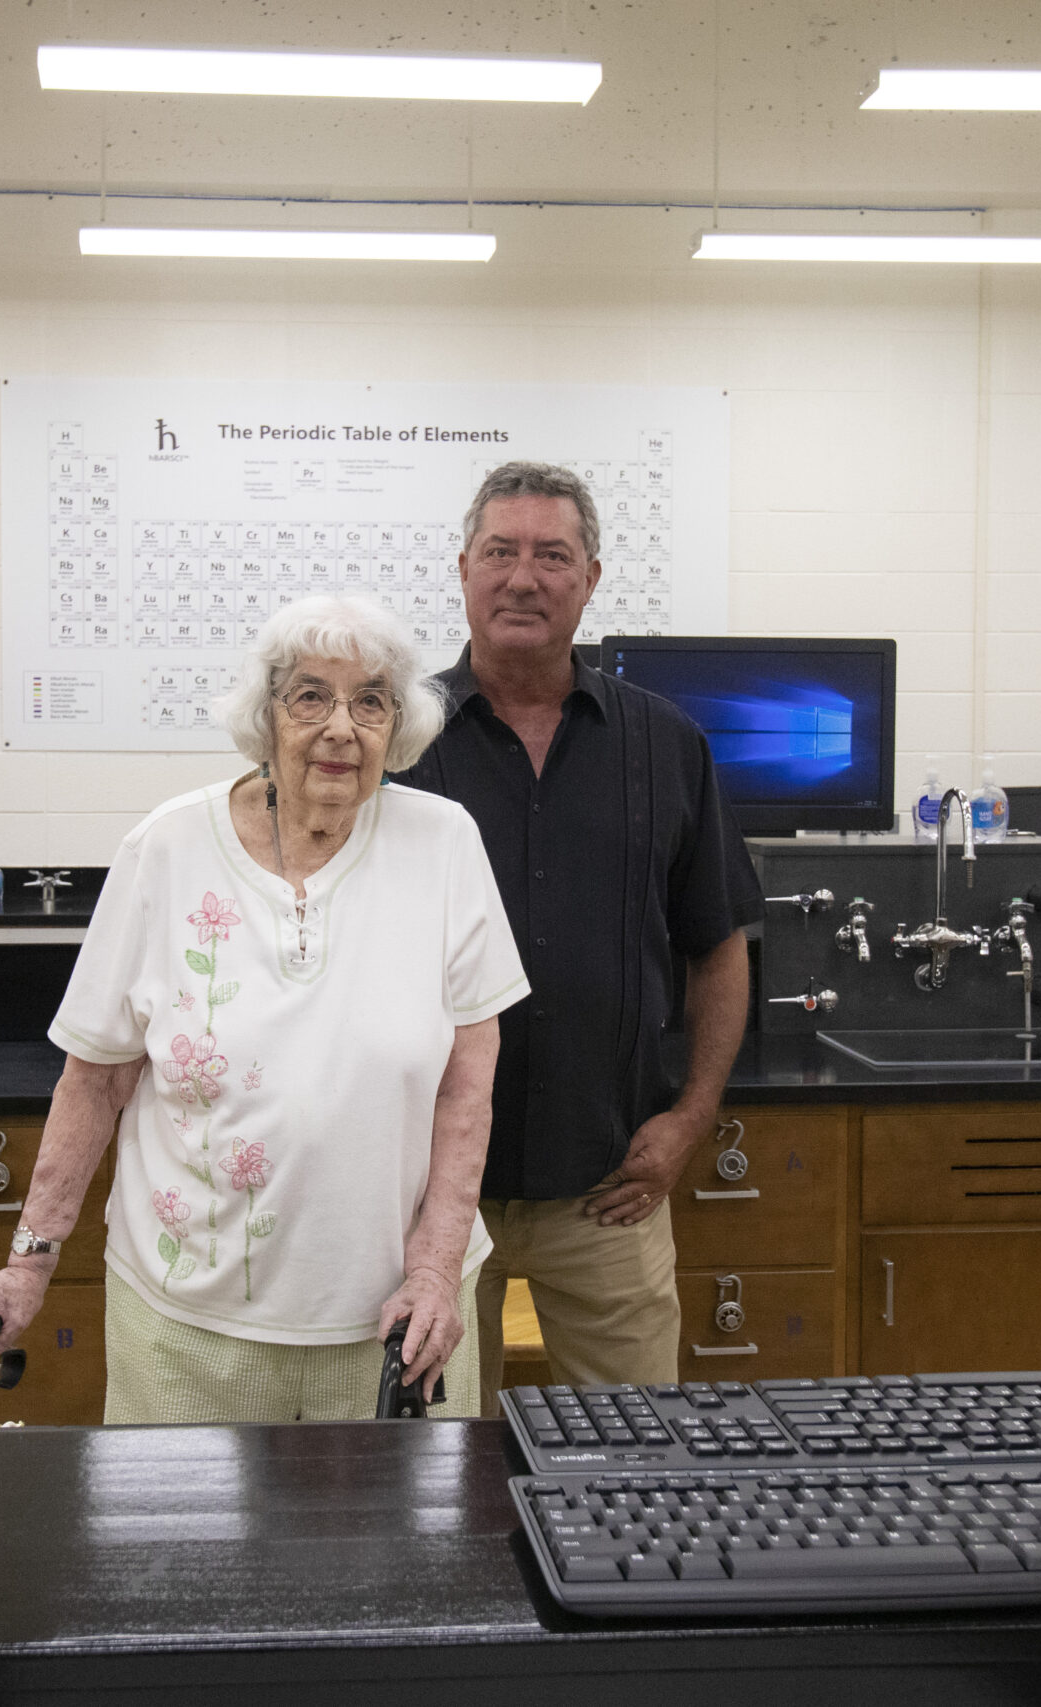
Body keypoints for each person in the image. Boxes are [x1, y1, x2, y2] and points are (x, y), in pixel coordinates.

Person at [0, 594, 528, 1421]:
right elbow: (94, 1080)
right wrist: (28, 1263)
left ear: (397, 725)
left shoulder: (445, 844)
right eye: (310, 696)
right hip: (186, 1337)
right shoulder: (166, 848)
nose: (340, 727)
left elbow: (468, 1085)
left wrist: (436, 1267)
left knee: (396, 1553)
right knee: (178, 1552)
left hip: (396, 1329)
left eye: (370, 700)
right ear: (265, 715)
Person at [395, 461, 762, 1419]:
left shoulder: (666, 743)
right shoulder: (395, 743)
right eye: (501, 553)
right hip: (427, 1201)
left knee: (639, 1458)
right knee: (433, 1468)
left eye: (552, 555)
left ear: (591, 578)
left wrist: (690, 1119)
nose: (524, 577)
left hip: (611, 1191)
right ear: (463, 569)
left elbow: (718, 947)